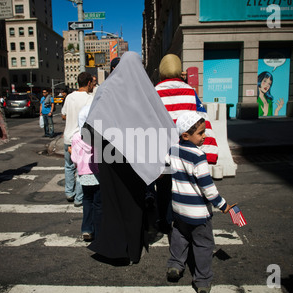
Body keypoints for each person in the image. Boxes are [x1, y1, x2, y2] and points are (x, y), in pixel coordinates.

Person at [85, 52, 178, 264]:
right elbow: (159, 124)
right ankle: (134, 249)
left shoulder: (107, 88)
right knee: (134, 202)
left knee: (113, 203)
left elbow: (89, 130)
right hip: (136, 158)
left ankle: (116, 249)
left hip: (110, 158)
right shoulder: (144, 92)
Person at [165, 111, 235, 293]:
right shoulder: (198, 156)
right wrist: (222, 204)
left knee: (180, 236)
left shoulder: (173, 150)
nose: (205, 136)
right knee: (203, 245)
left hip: (179, 208)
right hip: (198, 213)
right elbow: (207, 187)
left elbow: (164, 166)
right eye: (201, 133)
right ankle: (202, 281)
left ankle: (175, 265)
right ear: (186, 135)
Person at [152, 54, 219, 232]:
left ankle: (165, 221)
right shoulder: (190, 92)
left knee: (164, 187)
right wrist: (209, 151)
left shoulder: (154, 92)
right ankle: (182, 219)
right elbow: (201, 120)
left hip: (163, 151)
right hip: (185, 150)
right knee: (183, 185)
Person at [61, 72, 94, 206]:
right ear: (88, 83)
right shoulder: (89, 98)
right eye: (92, 83)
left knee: (69, 166)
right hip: (81, 139)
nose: (93, 85)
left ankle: (69, 193)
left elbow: (63, 115)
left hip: (68, 137)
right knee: (81, 169)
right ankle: (79, 198)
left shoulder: (69, 97)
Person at [70, 104, 101, 241]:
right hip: (97, 174)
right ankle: (99, 229)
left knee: (87, 201)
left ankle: (87, 228)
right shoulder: (97, 138)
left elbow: (74, 159)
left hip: (83, 174)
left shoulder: (76, 137)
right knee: (98, 202)